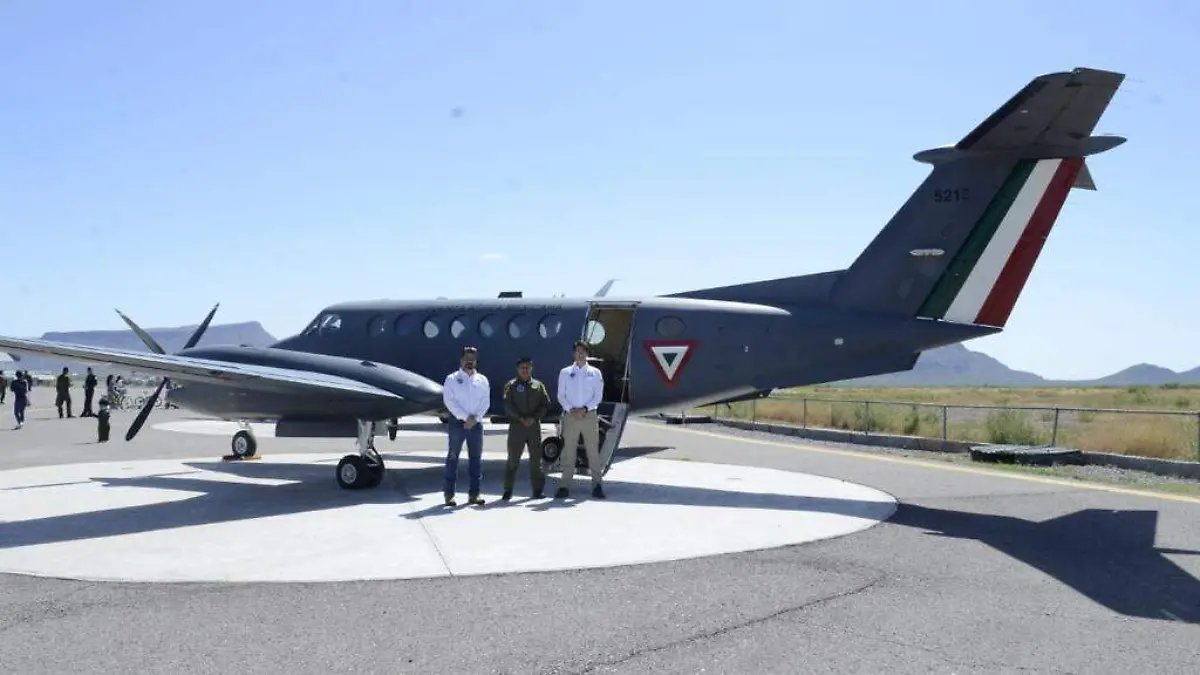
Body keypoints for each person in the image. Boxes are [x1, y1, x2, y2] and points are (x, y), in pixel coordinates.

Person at [555, 339, 606, 499]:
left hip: (589, 415)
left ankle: (597, 485)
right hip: (570, 415)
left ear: (587, 353)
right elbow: (561, 395)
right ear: (574, 353)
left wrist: (585, 408)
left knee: (593, 451)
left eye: (583, 351)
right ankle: (564, 486)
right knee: (569, 451)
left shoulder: (595, 373)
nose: (580, 354)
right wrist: (571, 409)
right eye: (577, 351)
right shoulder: (565, 372)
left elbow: (598, 396)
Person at [441, 346, 490, 506]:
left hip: (476, 424)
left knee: (475, 459)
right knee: (453, 458)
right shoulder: (451, 379)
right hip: (457, 423)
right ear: (461, 360)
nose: (470, 361)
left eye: (472, 359)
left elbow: (485, 402)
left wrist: (475, 419)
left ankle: (474, 494)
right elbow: (449, 401)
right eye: (467, 358)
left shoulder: (482, 380)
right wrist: (465, 417)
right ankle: (449, 495)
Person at [501, 356, 549, 500]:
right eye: (522, 368)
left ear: (531, 369)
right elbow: (507, 405)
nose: (525, 370)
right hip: (517, 427)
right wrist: (521, 418)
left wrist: (534, 418)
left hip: (534, 427)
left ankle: (538, 491)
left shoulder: (538, 386)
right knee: (513, 460)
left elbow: (545, 404)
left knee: (536, 461)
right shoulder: (511, 385)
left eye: (527, 367)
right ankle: (508, 490)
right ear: (518, 369)